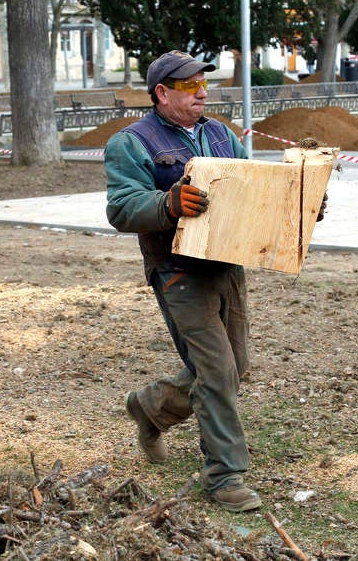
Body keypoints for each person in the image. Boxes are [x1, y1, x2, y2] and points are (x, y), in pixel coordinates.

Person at [103, 50, 260, 512]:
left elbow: (254, 183)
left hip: (227, 264)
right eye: (190, 87)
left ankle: (150, 408)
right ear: (162, 93)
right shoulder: (131, 143)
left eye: (204, 85)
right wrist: (168, 204)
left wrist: (298, 202)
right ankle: (224, 475)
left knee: (236, 367)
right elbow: (122, 208)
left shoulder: (219, 133)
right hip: (179, 272)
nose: (203, 93)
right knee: (215, 371)